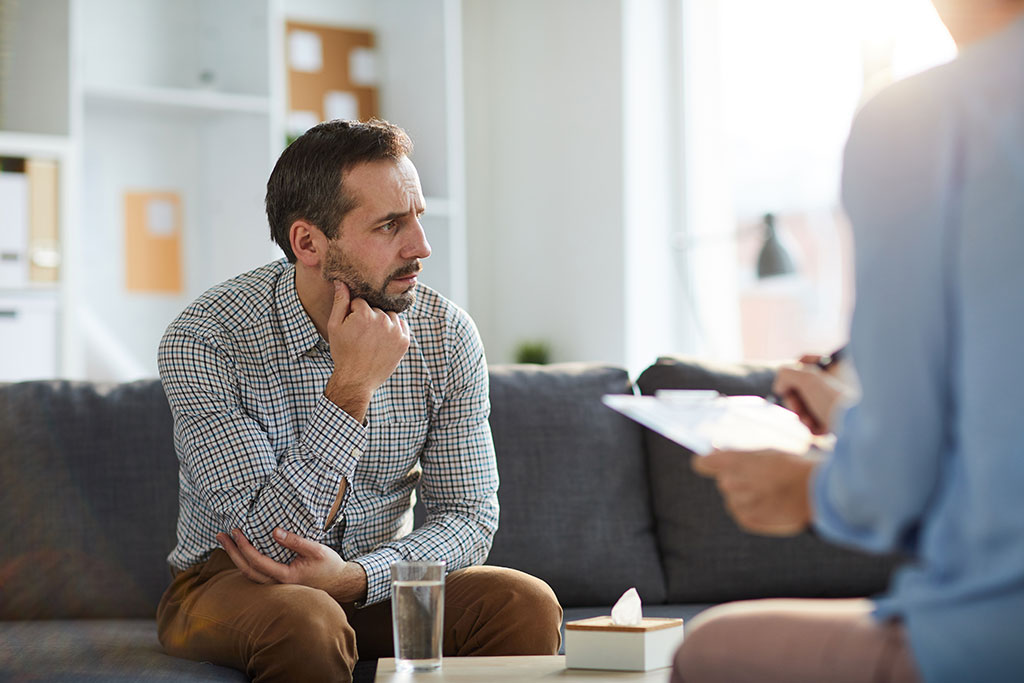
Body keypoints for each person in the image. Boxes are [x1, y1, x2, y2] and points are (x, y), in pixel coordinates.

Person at [671, 1, 1024, 681]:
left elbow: (894, 485)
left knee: (705, 650)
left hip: (993, 633)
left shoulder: (923, 119)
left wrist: (807, 484)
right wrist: (843, 417)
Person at [155, 119, 562, 683]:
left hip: (372, 579)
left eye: (418, 215)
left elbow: (469, 518)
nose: (421, 246)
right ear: (309, 243)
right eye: (390, 225)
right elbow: (264, 539)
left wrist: (359, 578)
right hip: (233, 584)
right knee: (309, 618)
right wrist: (351, 389)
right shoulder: (207, 339)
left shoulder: (446, 335)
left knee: (522, 601)